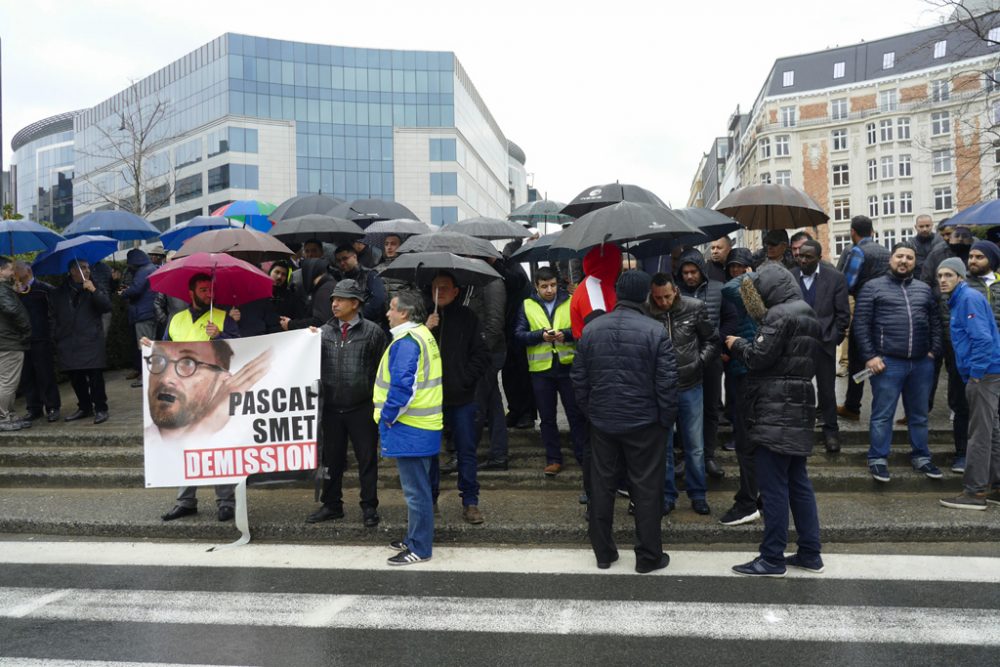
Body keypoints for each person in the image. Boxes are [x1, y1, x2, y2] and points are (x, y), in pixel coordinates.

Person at [572, 271, 677, 573]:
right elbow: (667, 383)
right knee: (646, 488)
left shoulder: (592, 330)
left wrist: (591, 410)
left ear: (616, 294)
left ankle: (603, 553)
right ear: (646, 295)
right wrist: (665, 420)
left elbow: (578, 378)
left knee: (601, 485)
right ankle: (648, 556)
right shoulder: (655, 331)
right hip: (645, 422)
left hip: (603, 420)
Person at [725, 263, 823, 577]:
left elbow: (758, 357)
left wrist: (736, 344)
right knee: (798, 483)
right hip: (801, 402)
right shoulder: (807, 311)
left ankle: (772, 557)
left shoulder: (779, 314)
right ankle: (810, 552)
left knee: (773, 487)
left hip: (775, 407)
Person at [853, 242, 943, 483]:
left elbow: (935, 322)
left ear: (915, 262)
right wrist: (870, 357)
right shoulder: (872, 287)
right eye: (900, 256)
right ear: (890, 259)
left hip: (921, 363)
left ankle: (922, 457)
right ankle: (878, 459)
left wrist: (934, 351)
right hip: (887, 363)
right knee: (883, 414)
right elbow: (860, 325)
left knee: (919, 415)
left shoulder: (924, 289)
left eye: (909, 258)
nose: (904, 261)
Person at [158, 273, 240, 522]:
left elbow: (242, 347)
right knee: (185, 447)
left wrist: (222, 336)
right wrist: (148, 346)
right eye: (204, 290)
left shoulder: (224, 318)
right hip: (183, 393)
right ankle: (186, 501)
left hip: (215, 393)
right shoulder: (176, 319)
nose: (209, 294)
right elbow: (163, 350)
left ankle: (226, 501)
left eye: (211, 290)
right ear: (191, 292)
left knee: (219, 446)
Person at [306, 279, 387, 527]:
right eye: (333, 299)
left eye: (340, 299)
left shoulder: (373, 332)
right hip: (331, 408)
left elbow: (382, 370)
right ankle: (332, 504)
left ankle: (369, 507)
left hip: (362, 407)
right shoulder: (322, 333)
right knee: (331, 460)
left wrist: (378, 403)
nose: (334, 303)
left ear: (356, 304)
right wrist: (305, 341)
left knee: (367, 460)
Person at [376, 292, 443, 565]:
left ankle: (419, 547)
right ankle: (416, 537)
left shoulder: (406, 342)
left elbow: (403, 387)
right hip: (423, 424)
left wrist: (388, 416)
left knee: (416, 492)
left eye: (392, 309)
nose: (388, 314)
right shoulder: (423, 335)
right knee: (420, 488)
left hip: (410, 425)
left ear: (404, 313)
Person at [646, 272, 718, 516]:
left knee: (694, 445)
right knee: (663, 446)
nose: (663, 302)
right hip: (660, 388)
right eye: (658, 298)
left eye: (667, 296)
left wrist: (699, 362)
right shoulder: (647, 310)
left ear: (675, 290)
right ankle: (668, 495)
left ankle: (698, 494)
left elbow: (711, 339)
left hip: (690, 384)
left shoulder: (694, 307)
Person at [426, 272, 491, 524]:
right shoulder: (424, 319)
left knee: (466, 451)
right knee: (431, 452)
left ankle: (470, 501)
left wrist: (465, 378)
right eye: (434, 288)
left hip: (462, 398)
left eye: (444, 288)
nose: (439, 292)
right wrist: (426, 329)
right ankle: (430, 500)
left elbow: (482, 354)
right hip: (430, 400)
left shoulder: (468, 317)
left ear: (455, 291)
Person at [935, 259, 1000, 510]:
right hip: (989, 373)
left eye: (949, 275)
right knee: (992, 430)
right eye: (940, 275)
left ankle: (975, 492)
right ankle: (994, 485)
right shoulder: (961, 298)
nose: (943, 279)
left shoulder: (967, 299)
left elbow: (982, 340)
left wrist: (975, 374)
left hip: (984, 375)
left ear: (960, 277)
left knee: (979, 433)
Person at [513, 266, 587, 478]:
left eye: (553, 285)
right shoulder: (527, 305)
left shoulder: (570, 300)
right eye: (544, 286)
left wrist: (565, 334)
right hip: (541, 370)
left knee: (575, 414)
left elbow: (581, 330)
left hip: (567, 366)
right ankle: (553, 458)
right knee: (547, 417)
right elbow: (518, 335)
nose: (549, 290)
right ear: (536, 286)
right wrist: (539, 336)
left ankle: (582, 455)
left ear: (558, 284)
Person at [676, 250, 734, 479]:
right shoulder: (674, 293)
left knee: (710, 409)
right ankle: (685, 455)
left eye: (694, 272)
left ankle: (708, 456)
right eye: (685, 272)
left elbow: (731, 319)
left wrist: (716, 341)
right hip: (684, 360)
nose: (690, 276)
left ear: (702, 271)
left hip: (711, 359)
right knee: (684, 410)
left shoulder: (719, 289)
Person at [791, 239, 850, 453]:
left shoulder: (835, 278)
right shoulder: (790, 276)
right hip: (797, 347)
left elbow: (843, 314)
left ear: (819, 257)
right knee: (799, 391)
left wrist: (833, 337)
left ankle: (831, 432)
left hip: (824, 344)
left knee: (827, 391)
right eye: (799, 256)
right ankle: (799, 431)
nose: (802, 260)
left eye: (808, 257)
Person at [719, 248, 762, 526]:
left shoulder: (753, 297)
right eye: (732, 266)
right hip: (740, 370)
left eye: (740, 267)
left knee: (748, 441)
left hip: (749, 372)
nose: (735, 271)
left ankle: (749, 500)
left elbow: (727, 288)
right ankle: (757, 496)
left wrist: (752, 277)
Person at [838, 215, 890, 421]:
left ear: (853, 232)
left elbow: (847, 283)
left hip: (865, 310)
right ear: (873, 232)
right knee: (881, 357)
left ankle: (852, 405)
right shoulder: (887, 252)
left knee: (857, 360)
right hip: (886, 313)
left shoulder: (857, 251)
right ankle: (883, 406)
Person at [51, 260, 112, 425]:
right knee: (76, 377)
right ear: (72, 271)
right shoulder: (59, 292)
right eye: (82, 267)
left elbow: (106, 307)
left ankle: (101, 408)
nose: (87, 270)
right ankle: (84, 407)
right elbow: (53, 316)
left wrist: (94, 291)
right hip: (68, 341)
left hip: (91, 339)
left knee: (95, 377)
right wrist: (56, 334)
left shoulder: (94, 286)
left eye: (87, 267)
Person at [13, 262, 60, 423]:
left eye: (17, 269)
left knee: (45, 373)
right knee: (27, 375)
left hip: (41, 337)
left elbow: (54, 313)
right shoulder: (15, 292)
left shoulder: (44, 289)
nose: (15, 272)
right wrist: (16, 294)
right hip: (22, 339)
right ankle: (34, 408)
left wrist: (52, 334)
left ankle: (52, 406)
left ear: (28, 270)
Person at [0, 256, 31, 431]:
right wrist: (26, 330)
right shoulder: (2, 290)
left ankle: (9, 415)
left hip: (5, 341)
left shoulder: (5, 289)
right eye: (10, 269)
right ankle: (3, 417)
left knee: (7, 381)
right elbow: (12, 310)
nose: (13, 272)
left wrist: (13, 292)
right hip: (9, 342)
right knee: (7, 382)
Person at [121, 249, 158, 388]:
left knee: (144, 347)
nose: (129, 266)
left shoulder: (143, 270)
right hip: (151, 312)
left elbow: (136, 289)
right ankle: (151, 374)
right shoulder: (151, 268)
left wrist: (123, 293)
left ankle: (146, 377)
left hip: (142, 314)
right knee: (151, 345)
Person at [570, 243, 621, 340]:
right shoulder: (592, 288)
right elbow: (600, 333)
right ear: (611, 262)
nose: (621, 265)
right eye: (619, 260)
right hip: (598, 351)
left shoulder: (603, 284)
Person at [332, 245, 386, 326]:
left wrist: (355, 315)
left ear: (354, 256)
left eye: (345, 258)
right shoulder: (340, 278)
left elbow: (379, 300)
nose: (342, 263)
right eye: (339, 260)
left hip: (370, 324)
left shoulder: (370, 274)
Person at [966, 240, 1000, 328]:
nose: (973, 261)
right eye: (970, 256)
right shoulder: (961, 284)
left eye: (979, 257)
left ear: (992, 259)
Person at [912, 214, 944, 279]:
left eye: (927, 226)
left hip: (939, 279)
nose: (924, 229)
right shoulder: (911, 244)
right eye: (921, 226)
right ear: (915, 227)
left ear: (932, 225)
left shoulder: (941, 241)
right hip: (918, 280)